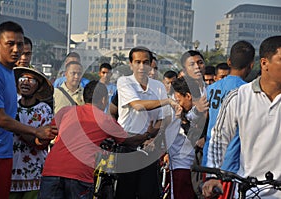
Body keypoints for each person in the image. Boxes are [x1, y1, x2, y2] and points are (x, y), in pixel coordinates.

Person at [38, 80, 158, 199]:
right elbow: (130, 141)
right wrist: (148, 134)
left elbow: (46, 135)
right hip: (79, 174)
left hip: (51, 171)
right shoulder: (104, 120)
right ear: (104, 100)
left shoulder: (65, 111)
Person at [0, 21, 57, 199]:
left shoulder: (11, 73)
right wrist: (36, 131)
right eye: (10, 44)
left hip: (5, 154)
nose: (16, 49)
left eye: (20, 44)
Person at [202, 36, 281, 199]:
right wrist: (213, 174)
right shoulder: (239, 96)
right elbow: (218, 137)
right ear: (264, 63)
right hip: (247, 187)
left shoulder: (215, 88)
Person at [115, 46, 179, 199]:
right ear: (131, 64)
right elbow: (137, 105)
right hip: (128, 144)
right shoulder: (124, 82)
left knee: (149, 193)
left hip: (150, 146)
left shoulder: (158, 86)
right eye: (137, 62)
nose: (141, 66)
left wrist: (152, 136)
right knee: (125, 193)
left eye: (145, 62)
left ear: (151, 64)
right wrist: (167, 101)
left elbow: (164, 118)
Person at [202, 40, 255, 199]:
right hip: (230, 161)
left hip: (209, 158)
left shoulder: (211, 89)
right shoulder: (246, 92)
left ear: (229, 61)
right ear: (252, 65)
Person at [10, 67, 54, 199]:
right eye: (22, 79)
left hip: (35, 174)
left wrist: (16, 125)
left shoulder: (44, 110)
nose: (25, 82)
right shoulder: (10, 106)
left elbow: (42, 143)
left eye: (31, 80)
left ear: (39, 86)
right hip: (10, 173)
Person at [166, 77, 208, 199]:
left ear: (188, 96)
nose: (178, 104)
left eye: (179, 100)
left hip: (186, 167)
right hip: (187, 167)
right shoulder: (187, 112)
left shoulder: (200, 111)